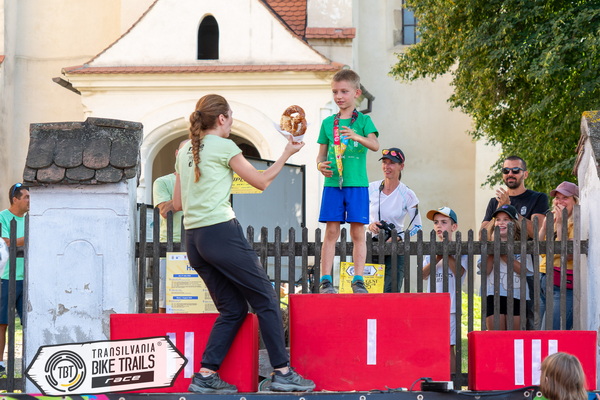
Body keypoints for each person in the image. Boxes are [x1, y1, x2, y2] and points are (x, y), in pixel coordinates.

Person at [172, 94, 315, 393]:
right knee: (267, 299)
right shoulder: (224, 146)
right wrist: (287, 153)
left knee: (233, 309)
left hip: (194, 240)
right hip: (220, 233)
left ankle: (206, 375)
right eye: (231, 117)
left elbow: (177, 203)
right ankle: (283, 372)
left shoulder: (185, 150)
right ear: (221, 118)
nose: (232, 123)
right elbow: (261, 182)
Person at [316, 69, 379, 294]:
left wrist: (356, 136)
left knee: (358, 233)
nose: (339, 96)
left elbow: (375, 145)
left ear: (356, 93)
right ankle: (325, 280)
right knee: (331, 232)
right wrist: (320, 166)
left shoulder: (364, 120)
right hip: (333, 184)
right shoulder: (327, 123)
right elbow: (320, 156)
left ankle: (358, 279)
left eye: (344, 91)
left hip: (357, 183)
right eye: (335, 92)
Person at [480, 156, 548, 330]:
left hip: (525, 270)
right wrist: (500, 209)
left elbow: (537, 232)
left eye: (515, 170)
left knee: (530, 323)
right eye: (506, 170)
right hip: (496, 276)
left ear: (525, 174)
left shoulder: (537, 198)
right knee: (496, 328)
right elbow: (482, 235)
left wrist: (511, 209)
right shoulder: (494, 202)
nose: (510, 173)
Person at [367, 147, 421, 292]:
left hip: (396, 247)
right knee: (370, 291)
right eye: (384, 162)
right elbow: (358, 215)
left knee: (392, 291)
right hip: (371, 245)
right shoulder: (370, 188)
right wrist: (370, 225)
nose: (387, 166)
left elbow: (417, 226)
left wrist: (398, 237)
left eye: (391, 163)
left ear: (401, 166)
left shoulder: (408, 194)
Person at [421, 207, 466, 373]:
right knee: (433, 345)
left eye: (444, 222)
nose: (439, 226)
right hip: (432, 305)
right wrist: (438, 256)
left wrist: (445, 253)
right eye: (436, 222)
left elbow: (459, 272)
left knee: (448, 346)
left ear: (454, 227)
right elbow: (423, 275)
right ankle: (436, 379)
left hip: (451, 306)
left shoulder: (461, 249)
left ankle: (452, 382)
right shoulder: (431, 250)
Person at [483, 204, 532, 330]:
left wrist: (504, 255)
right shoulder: (487, 245)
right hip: (493, 294)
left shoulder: (522, 245)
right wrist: (493, 249)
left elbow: (523, 271)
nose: (501, 222)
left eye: (506, 219)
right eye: (498, 219)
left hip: (517, 294)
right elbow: (485, 271)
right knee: (496, 337)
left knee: (514, 337)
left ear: (514, 223)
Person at [538, 182, 579, 330]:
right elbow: (540, 250)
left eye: (565, 198)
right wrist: (544, 227)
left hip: (562, 282)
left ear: (575, 201)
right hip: (544, 278)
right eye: (557, 198)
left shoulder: (576, 223)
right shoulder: (554, 220)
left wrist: (561, 225)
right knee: (541, 333)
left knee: (553, 331)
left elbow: (567, 255)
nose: (559, 201)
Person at [153, 140, 187, 313]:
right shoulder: (163, 182)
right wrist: (189, 191)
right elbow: (165, 211)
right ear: (176, 154)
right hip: (170, 246)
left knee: (197, 300)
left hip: (200, 244)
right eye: (185, 151)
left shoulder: (204, 181)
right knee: (166, 302)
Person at [0, 183, 29, 374]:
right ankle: (0, 363)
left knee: (29, 323)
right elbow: (5, 243)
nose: (30, 201)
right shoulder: (2, 217)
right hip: (5, 278)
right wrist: (28, 236)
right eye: (26, 197)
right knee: (2, 322)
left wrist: (17, 240)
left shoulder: (32, 218)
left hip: (27, 279)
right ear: (15, 199)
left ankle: (30, 360)